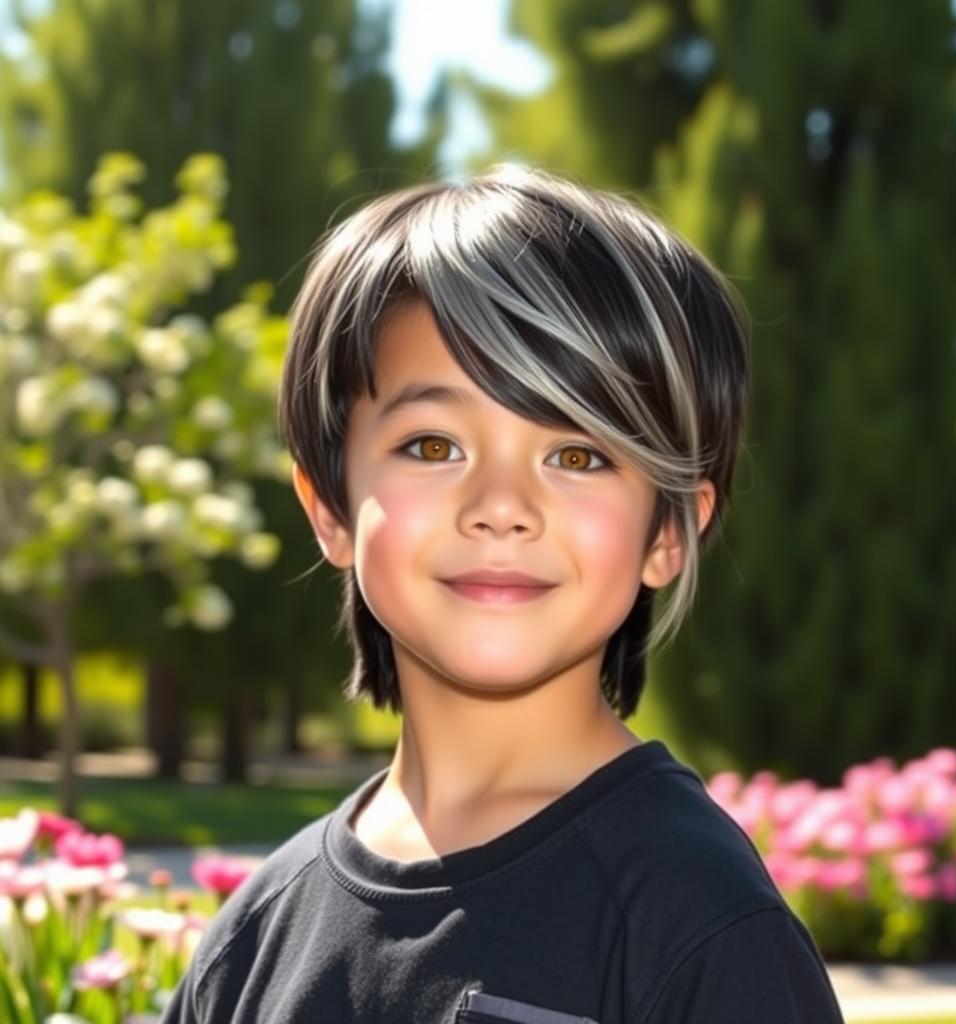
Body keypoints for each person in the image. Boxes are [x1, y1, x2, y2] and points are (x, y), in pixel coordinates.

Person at [160, 163, 846, 1023]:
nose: (501, 509)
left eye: (578, 455)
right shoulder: (253, 941)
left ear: (668, 532)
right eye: (434, 445)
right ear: (330, 506)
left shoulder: (699, 921)